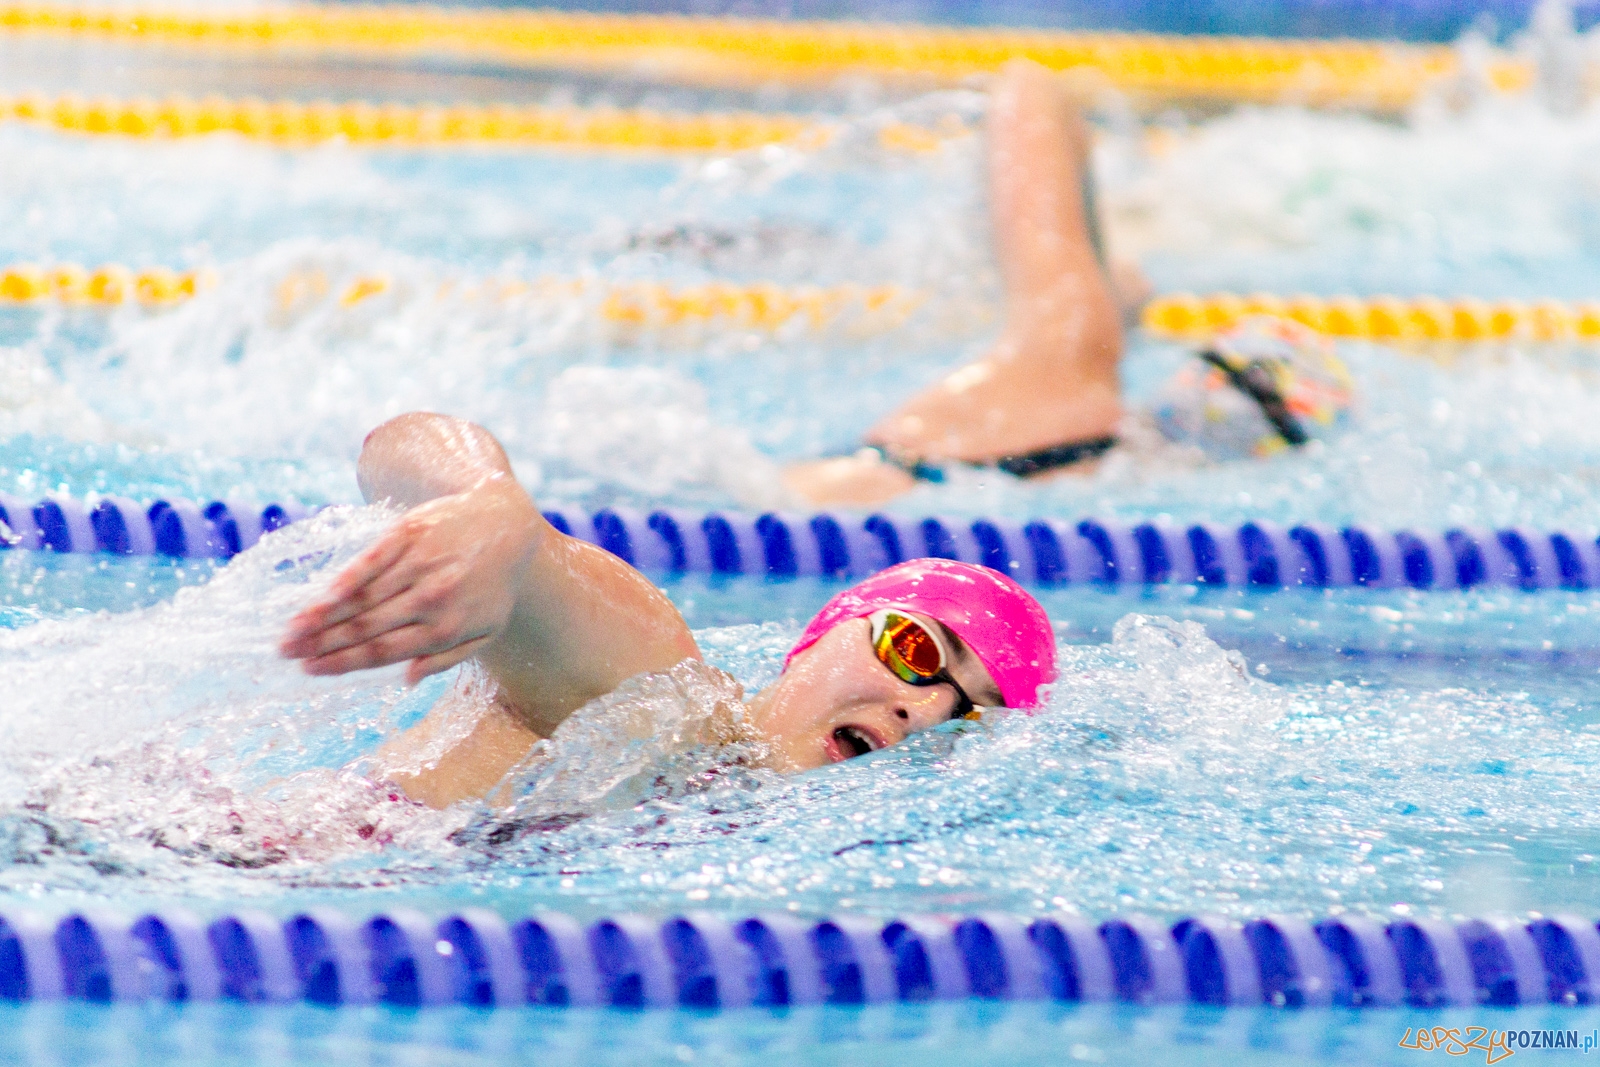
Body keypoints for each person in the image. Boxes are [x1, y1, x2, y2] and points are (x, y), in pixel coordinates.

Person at [278, 412, 1058, 809]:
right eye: (919, 650)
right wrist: (491, 507)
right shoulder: (664, 700)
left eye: (970, 717)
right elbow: (400, 444)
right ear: (816, 638)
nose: (923, 707)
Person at [782, 60, 1352, 506]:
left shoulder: (1075, 360)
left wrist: (1093, 287)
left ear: (1201, 371)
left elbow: (1028, 91)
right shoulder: (1097, 473)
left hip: (763, 495)